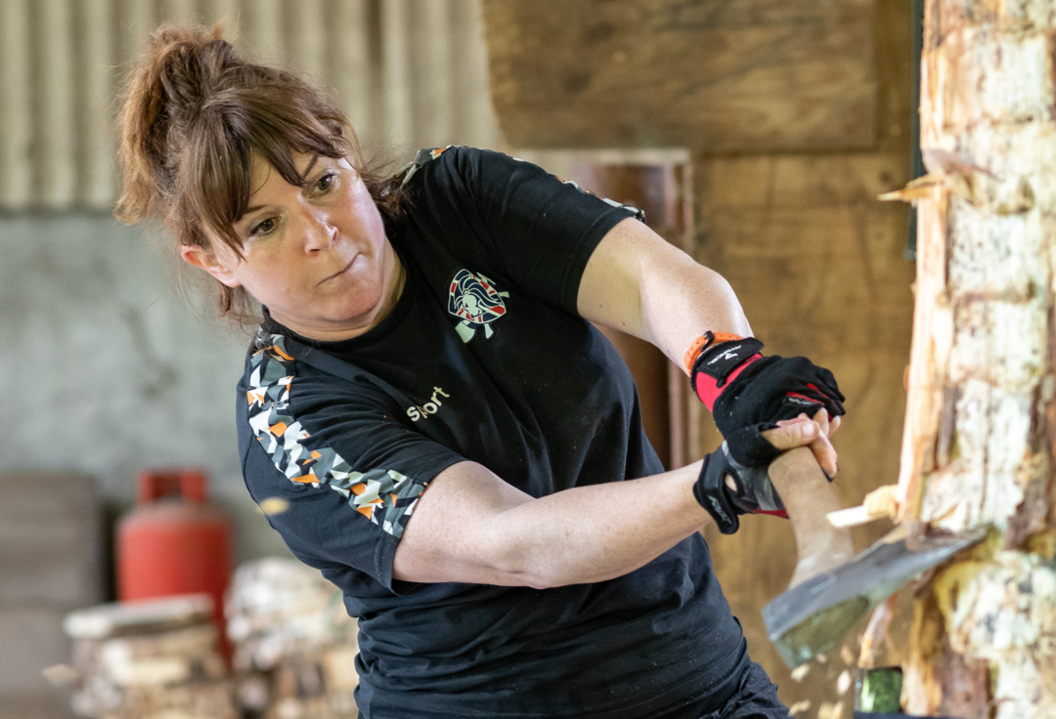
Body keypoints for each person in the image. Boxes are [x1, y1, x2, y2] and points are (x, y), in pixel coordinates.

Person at [115, 24, 847, 719]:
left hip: (702, 684)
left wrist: (733, 368)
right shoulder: (291, 416)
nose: (320, 233)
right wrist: (716, 483)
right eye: (264, 225)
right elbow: (517, 541)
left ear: (348, 152)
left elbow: (650, 277)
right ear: (213, 260)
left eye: (321, 183)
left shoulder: (457, 199)